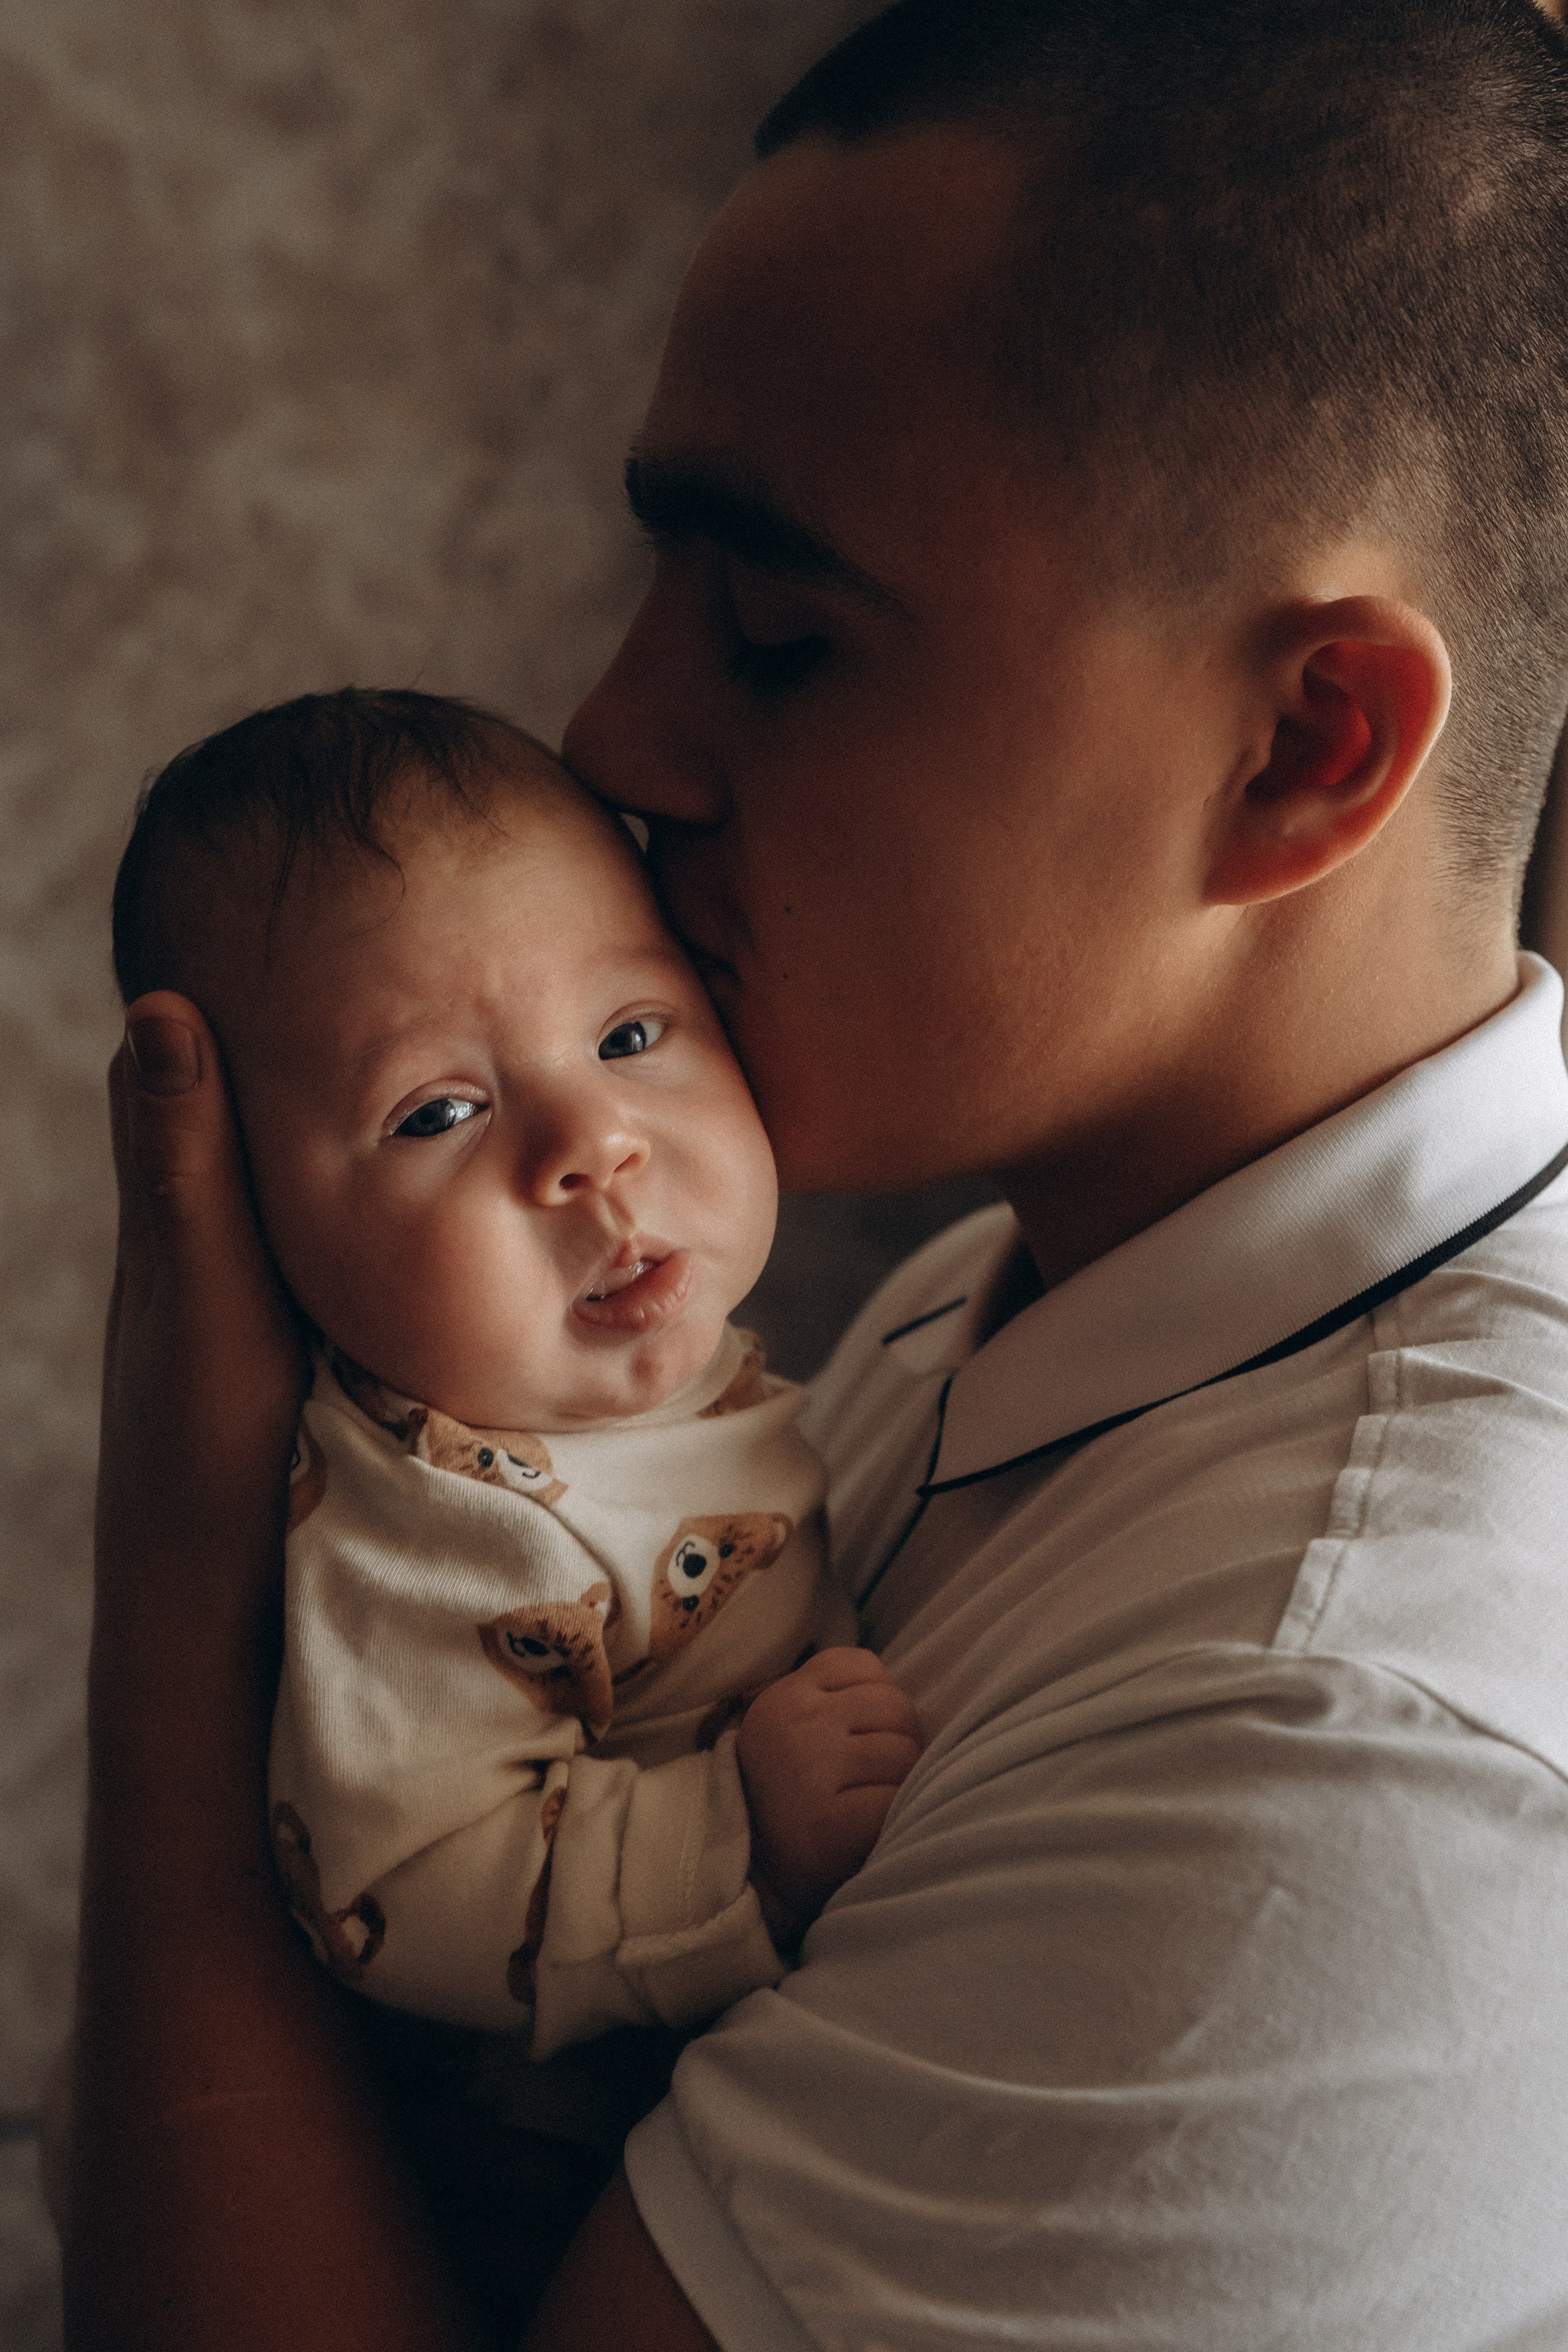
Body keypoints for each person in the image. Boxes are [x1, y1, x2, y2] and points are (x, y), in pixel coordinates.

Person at [62, 1, 1568, 2346]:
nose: (609, 736)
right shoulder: (997, 1304)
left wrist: (179, 1642)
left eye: (777, 632)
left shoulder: (1337, 1760)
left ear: (1306, 743)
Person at [99, 687, 916, 2331]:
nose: (590, 1147)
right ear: (263, 1231)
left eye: (631, 1034)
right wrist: (732, 1834)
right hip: (500, 2191)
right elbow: (408, 1878)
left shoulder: (811, 1365)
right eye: (438, 1115)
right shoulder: (437, 1528)